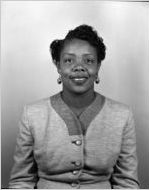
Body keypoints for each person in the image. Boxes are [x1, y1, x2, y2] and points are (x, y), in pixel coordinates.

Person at [8, 24, 139, 189]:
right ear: (58, 66)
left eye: (89, 60)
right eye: (69, 60)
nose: (79, 67)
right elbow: (21, 181)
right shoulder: (32, 114)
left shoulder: (122, 115)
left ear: (98, 66)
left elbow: (127, 183)